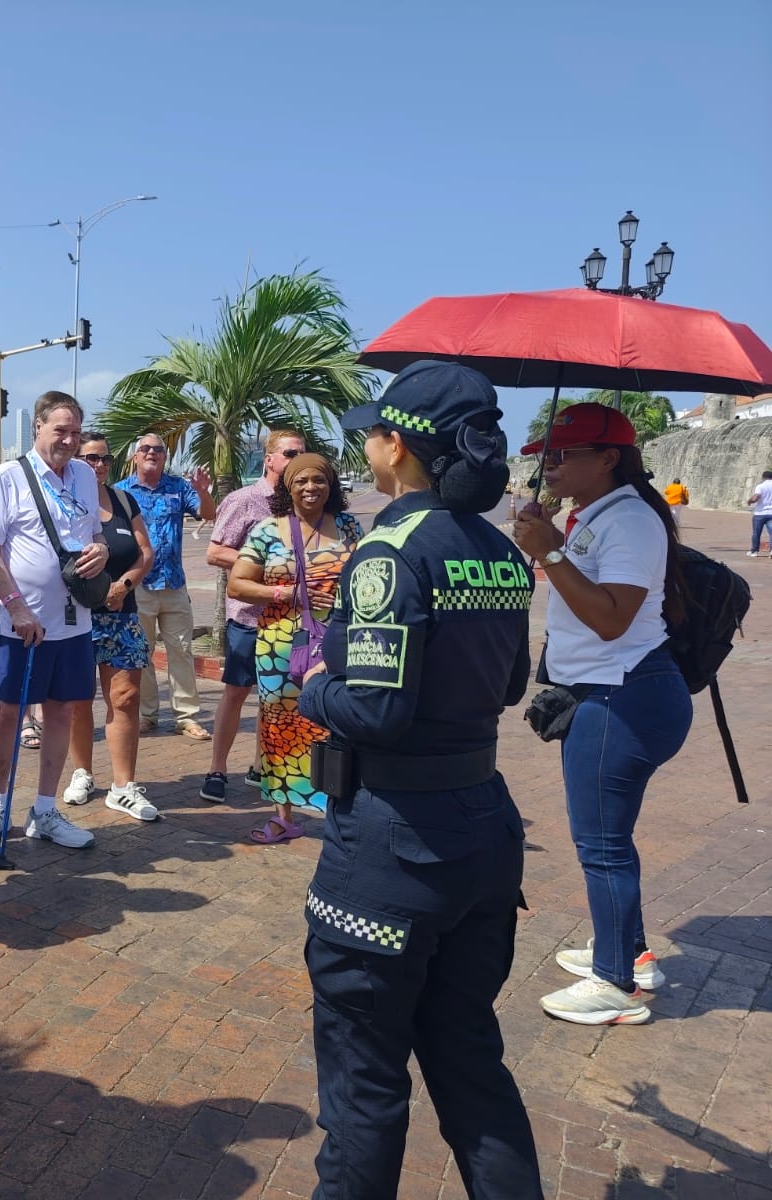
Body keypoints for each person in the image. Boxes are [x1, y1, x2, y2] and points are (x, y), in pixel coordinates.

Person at [297, 359, 542, 1197]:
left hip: (394, 844)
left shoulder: (389, 550)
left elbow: (375, 711)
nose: (365, 444)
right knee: (470, 1061)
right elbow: (511, 687)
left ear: (395, 447)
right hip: (482, 830)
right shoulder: (501, 552)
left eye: (371, 431)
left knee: (364, 1085)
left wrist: (312, 683)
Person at [512, 402, 692, 1026]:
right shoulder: (595, 514)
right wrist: (549, 543)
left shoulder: (632, 522)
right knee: (608, 837)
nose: (552, 466)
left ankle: (618, 985)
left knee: (603, 844)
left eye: (565, 455)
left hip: (624, 694)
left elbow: (612, 619)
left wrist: (553, 555)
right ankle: (631, 955)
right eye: (547, 457)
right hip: (608, 692)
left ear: (608, 459)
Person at [0, 392, 107, 852]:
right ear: (38, 429)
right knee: (9, 712)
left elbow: (95, 534)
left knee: (63, 709)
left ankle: (45, 810)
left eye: (75, 431)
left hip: (75, 622)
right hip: (22, 625)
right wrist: (17, 608)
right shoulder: (9, 476)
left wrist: (102, 550)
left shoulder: (85, 474)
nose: (68, 440)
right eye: (59, 430)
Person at [227, 453, 360, 842]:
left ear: (330, 485)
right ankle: (283, 816)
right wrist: (282, 591)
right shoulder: (269, 531)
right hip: (280, 644)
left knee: (335, 720)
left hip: (337, 640)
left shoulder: (349, 527)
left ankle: (335, 810)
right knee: (281, 727)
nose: (310, 488)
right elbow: (238, 585)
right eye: (300, 481)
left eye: (318, 480)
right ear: (288, 487)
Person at [201, 429, 306, 803]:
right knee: (236, 692)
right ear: (270, 459)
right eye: (291, 453)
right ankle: (216, 770)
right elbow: (215, 553)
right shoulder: (244, 500)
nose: (298, 460)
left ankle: (262, 767)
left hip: (291, 618)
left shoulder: (304, 503)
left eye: (304, 453)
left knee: (276, 696)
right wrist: (266, 565)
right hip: (249, 616)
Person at [59, 433, 158, 820]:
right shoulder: (65, 501)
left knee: (126, 699)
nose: (98, 466)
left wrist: (124, 585)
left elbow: (145, 551)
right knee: (77, 701)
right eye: (89, 459)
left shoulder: (123, 500)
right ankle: (82, 772)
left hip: (121, 613)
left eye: (104, 459)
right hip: (78, 617)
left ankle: (123, 786)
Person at [118, 433, 216, 739]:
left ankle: (186, 716)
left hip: (173, 584)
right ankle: (147, 715)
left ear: (165, 457)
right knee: (142, 654)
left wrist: (204, 492)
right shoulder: (120, 492)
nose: (152, 453)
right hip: (138, 585)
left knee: (182, 652)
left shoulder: (178, 488)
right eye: (145, 448)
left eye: (158, 449)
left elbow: (209, 515)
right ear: (135, 456)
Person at [749, 469, 772, 557]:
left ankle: (754, 551)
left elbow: (755, 498)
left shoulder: (760, 486)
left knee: (756, 532)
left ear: (763, 477)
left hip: (760, 513)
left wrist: (749, 501)